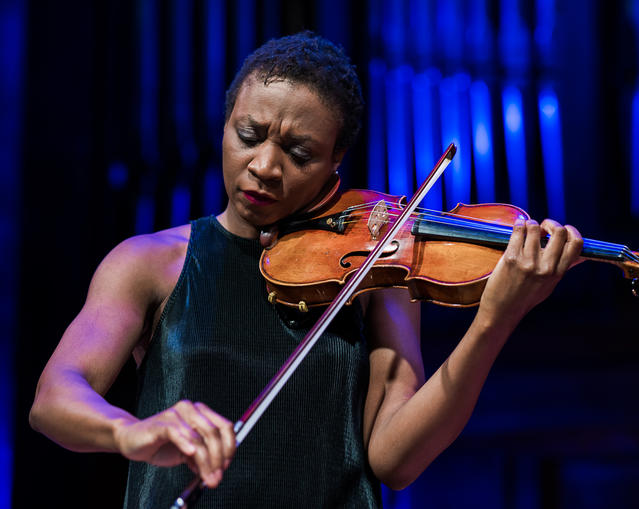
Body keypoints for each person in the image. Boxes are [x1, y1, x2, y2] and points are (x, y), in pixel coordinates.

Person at [29, 32, 583, 508]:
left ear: (335, 162)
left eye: (299, 152)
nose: (265, 167)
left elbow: (395, 459)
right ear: (225, 125)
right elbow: (55, 397)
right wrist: (132, 432)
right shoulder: (150, 262)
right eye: (248, 136)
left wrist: (492, 322)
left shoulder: (374, 275)